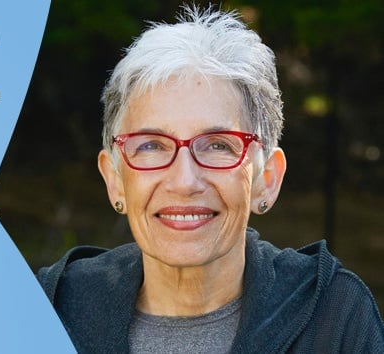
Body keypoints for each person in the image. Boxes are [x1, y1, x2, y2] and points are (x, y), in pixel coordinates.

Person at [37, 4, 384, 353]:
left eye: (218, 145)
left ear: (267, 177)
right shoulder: (47, 312)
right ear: (114, 179)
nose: (185, 181)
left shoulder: (335, 319)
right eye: (152, 146)